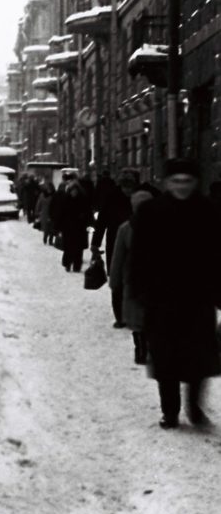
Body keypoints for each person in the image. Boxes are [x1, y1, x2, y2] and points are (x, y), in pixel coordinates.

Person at [130, 158, 221, 429]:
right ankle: (170, 411)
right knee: (165, 357)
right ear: (167, 183)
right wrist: (139, 290)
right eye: (176, 181)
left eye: (187, 181)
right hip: (161, 299)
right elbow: (138, 255)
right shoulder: (150, 212)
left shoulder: (209, 211)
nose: (182, 186)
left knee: (199, 357)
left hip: (198, 298)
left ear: (196, 183)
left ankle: (194, 407)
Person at [110, 189, 154, 366]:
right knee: (141, 320)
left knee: (141, 320)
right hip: (138, 281)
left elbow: (118, 258)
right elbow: (118, 257)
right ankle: (143, 349)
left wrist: (115, 281)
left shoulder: (126, 228)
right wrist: (115, 280)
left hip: (142, 281)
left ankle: (142, 349)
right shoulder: (127, 229)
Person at [92, 171, 136, 327]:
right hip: (115, 243)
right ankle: (119, 316)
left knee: (132, 278)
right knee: (116, 278)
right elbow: (102, 221)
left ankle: (131, 313)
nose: (127, 190)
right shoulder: (112, 197)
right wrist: (95, 243)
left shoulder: (138, 197)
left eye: (130, 187)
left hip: (134, 244)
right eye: (125, 186)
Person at [35, 182, 57, 247]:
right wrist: (37, 211)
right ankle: (45, 238)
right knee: (46, 227)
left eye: (50, 188)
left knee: (52, 227)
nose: (49, 189)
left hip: (53, 212)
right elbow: (39, 203)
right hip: (44, 213)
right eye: (48, 188)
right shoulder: (42, 194)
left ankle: (50, 240)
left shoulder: (54, 194)